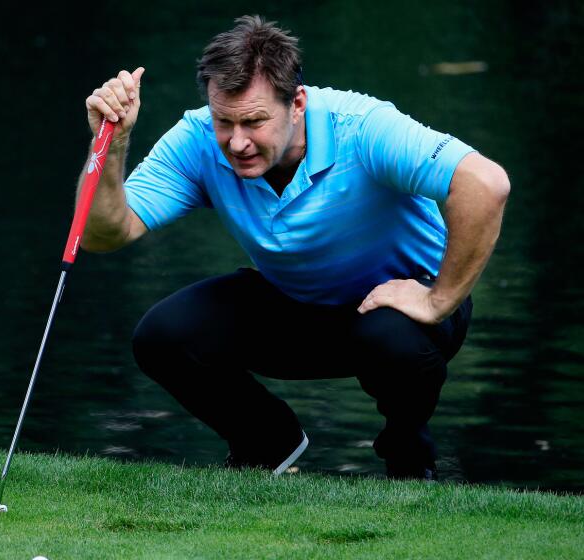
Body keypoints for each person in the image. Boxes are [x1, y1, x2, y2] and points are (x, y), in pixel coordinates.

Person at [77, 15, 510, 480]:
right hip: (301, 304)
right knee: (162, 337)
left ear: (297, 103)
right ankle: (266, 442)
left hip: (409, 314)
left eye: (254, 122)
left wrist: (439, 299)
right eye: (224, 121)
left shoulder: (363, 128)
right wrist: (113, 145)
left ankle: (408, 459)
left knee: (388, 337)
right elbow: (104, 233)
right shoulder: (198, 140)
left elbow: (485, 184)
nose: (237, 141)